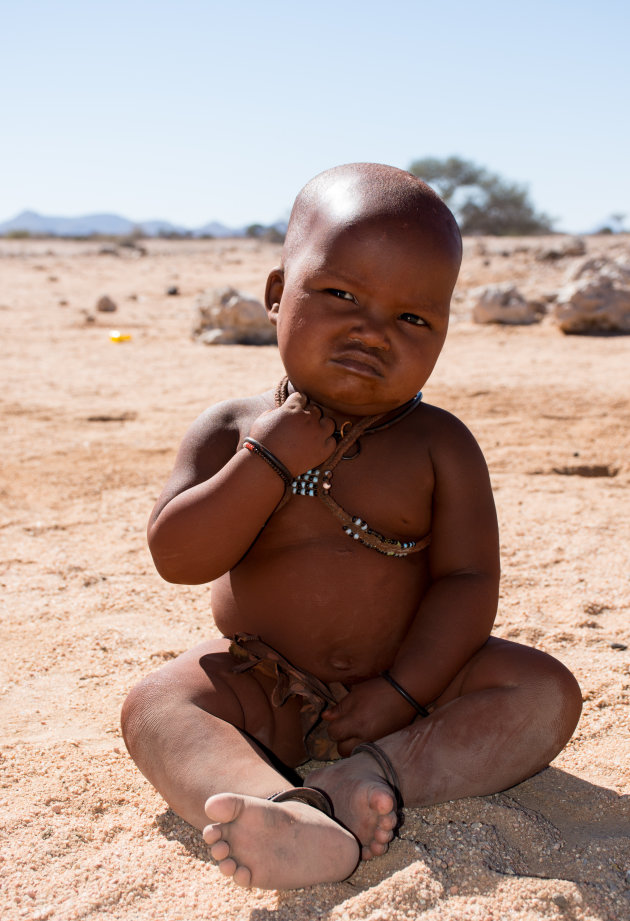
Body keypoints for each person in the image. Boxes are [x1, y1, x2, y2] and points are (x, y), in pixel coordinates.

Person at [121, 163, 582, 891]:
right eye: (340, 294)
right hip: (266, 685)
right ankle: (284, 810)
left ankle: (378, 775)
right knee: (158, 704)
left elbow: (468, 581)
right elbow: (177, 555)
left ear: (444, 331)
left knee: (544, 690)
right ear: (277, 295)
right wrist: (267, 459)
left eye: (413, 318)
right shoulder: (232, 429)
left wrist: (402, 692)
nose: (372, 332)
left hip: (416, 689)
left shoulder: (441, 445)